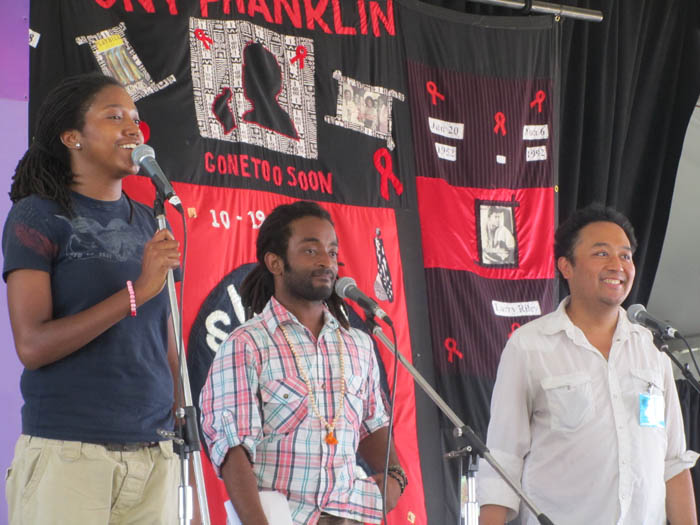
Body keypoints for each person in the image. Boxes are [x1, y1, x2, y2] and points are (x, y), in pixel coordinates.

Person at [3, 72, 181, 524]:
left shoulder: (150, 222)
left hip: (153, 454)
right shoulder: (37, 216)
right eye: (114, 116)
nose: (132, 128)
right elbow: (32, 346)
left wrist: (176, 422)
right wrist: (135, 293)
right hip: (70, 453)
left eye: (136, 119)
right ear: (71, 137)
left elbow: (167, 340)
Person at [478, 204, 698, 525]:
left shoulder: (652, 350)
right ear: (566, 267)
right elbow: (503, 459)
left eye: (625, 256)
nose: (617, 265)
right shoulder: (529, 346)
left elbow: (674, 464)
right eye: (601, 254)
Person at [199, 201, 407, 525]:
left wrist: (395, 477)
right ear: (275, 262)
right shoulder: (247, 344)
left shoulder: (359, 344)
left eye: (332, 251)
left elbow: (373, 422)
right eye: (311, 251)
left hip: (349, 516)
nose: (327, 261)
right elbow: (231, 450)